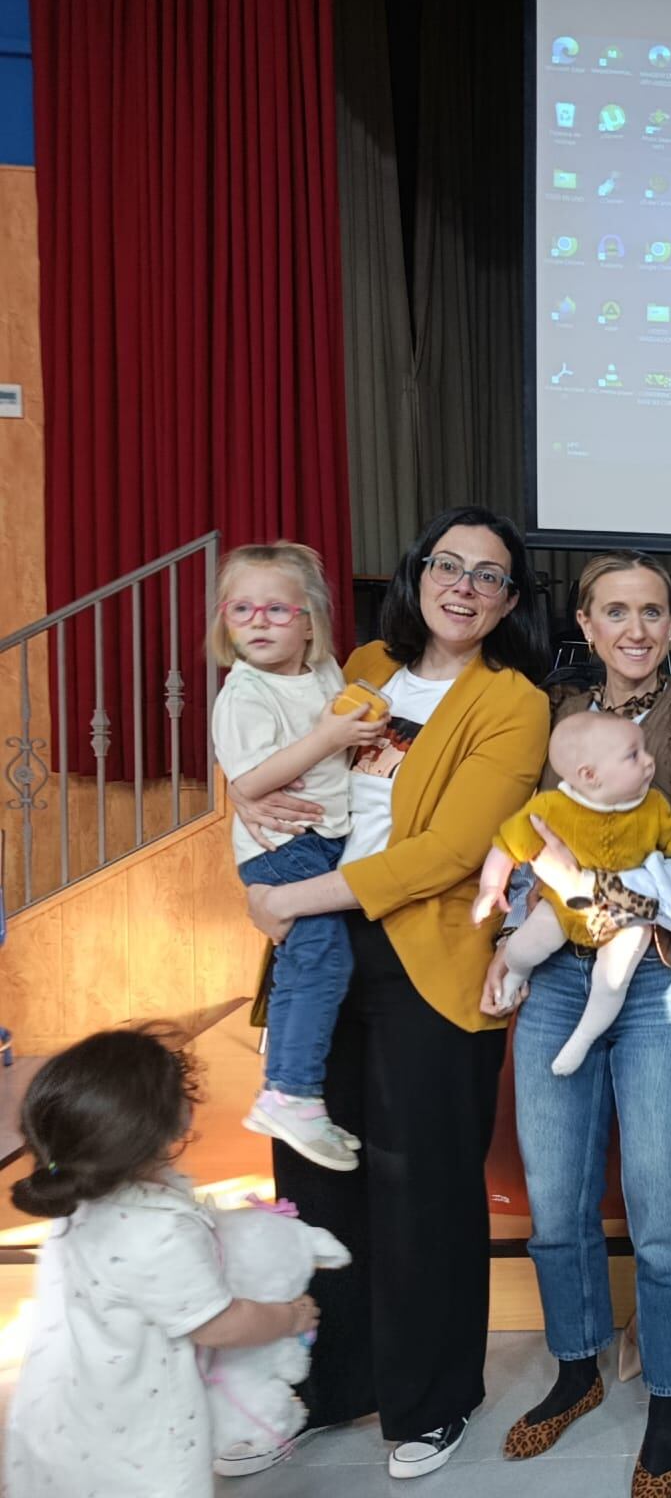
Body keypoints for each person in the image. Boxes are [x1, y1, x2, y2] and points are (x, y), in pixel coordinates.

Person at [232, 505, 551, 1479]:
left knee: (423, 1191)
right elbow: (262, 777)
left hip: (429, 961)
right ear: (416, 574)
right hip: (322, 953)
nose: (462, 585)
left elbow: (449, 854)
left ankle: (431, 1400)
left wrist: (287, 893)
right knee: (319, 1182)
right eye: (446, 564)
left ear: (506, 602)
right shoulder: (363, 666)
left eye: (487, 575)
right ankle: (335, 1386)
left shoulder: (514, 702)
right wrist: (253, 879)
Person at [483, 550, 671, 1497]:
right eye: (615, 612)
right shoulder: (554, 720)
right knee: (556, 1196)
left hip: (668, 978)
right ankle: (574, 1371)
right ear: (588, 627)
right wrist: (514, 942)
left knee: (659, 1200)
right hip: (559, 974)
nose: (635, 629)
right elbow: (527, 849)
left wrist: (604, 886)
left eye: (651, 612)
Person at [3, 1028, 322, 1498]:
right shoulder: (160, 1230)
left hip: (56, 1419)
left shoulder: (77, 1201)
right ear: (173, 1121)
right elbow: (219, 1324)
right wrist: (289, 1316)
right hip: (138, 1438)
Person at [209, 542, 383, 1170]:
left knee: (318, 963)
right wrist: (328, 737)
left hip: (322, 841)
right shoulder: (245, 692)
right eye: (242, 609)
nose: (258, 621)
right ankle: (290, 1091)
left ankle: (292, 1089)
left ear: (310, 621)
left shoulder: (325, 673)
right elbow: (250, 782)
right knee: (320, 960)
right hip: (285, 848)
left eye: (277, 610)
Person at [474, 713, 671, 1075]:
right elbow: (507, 844)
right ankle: (515, 977)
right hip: (562, 906)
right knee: (524, 947)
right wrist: (491, 886)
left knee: (613, 977)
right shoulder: (551, 808)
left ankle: (582, 1038)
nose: (648, 761)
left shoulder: (652, 806)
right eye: (633, 755)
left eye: (643, 750)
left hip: (626, 917)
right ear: (590, 775)